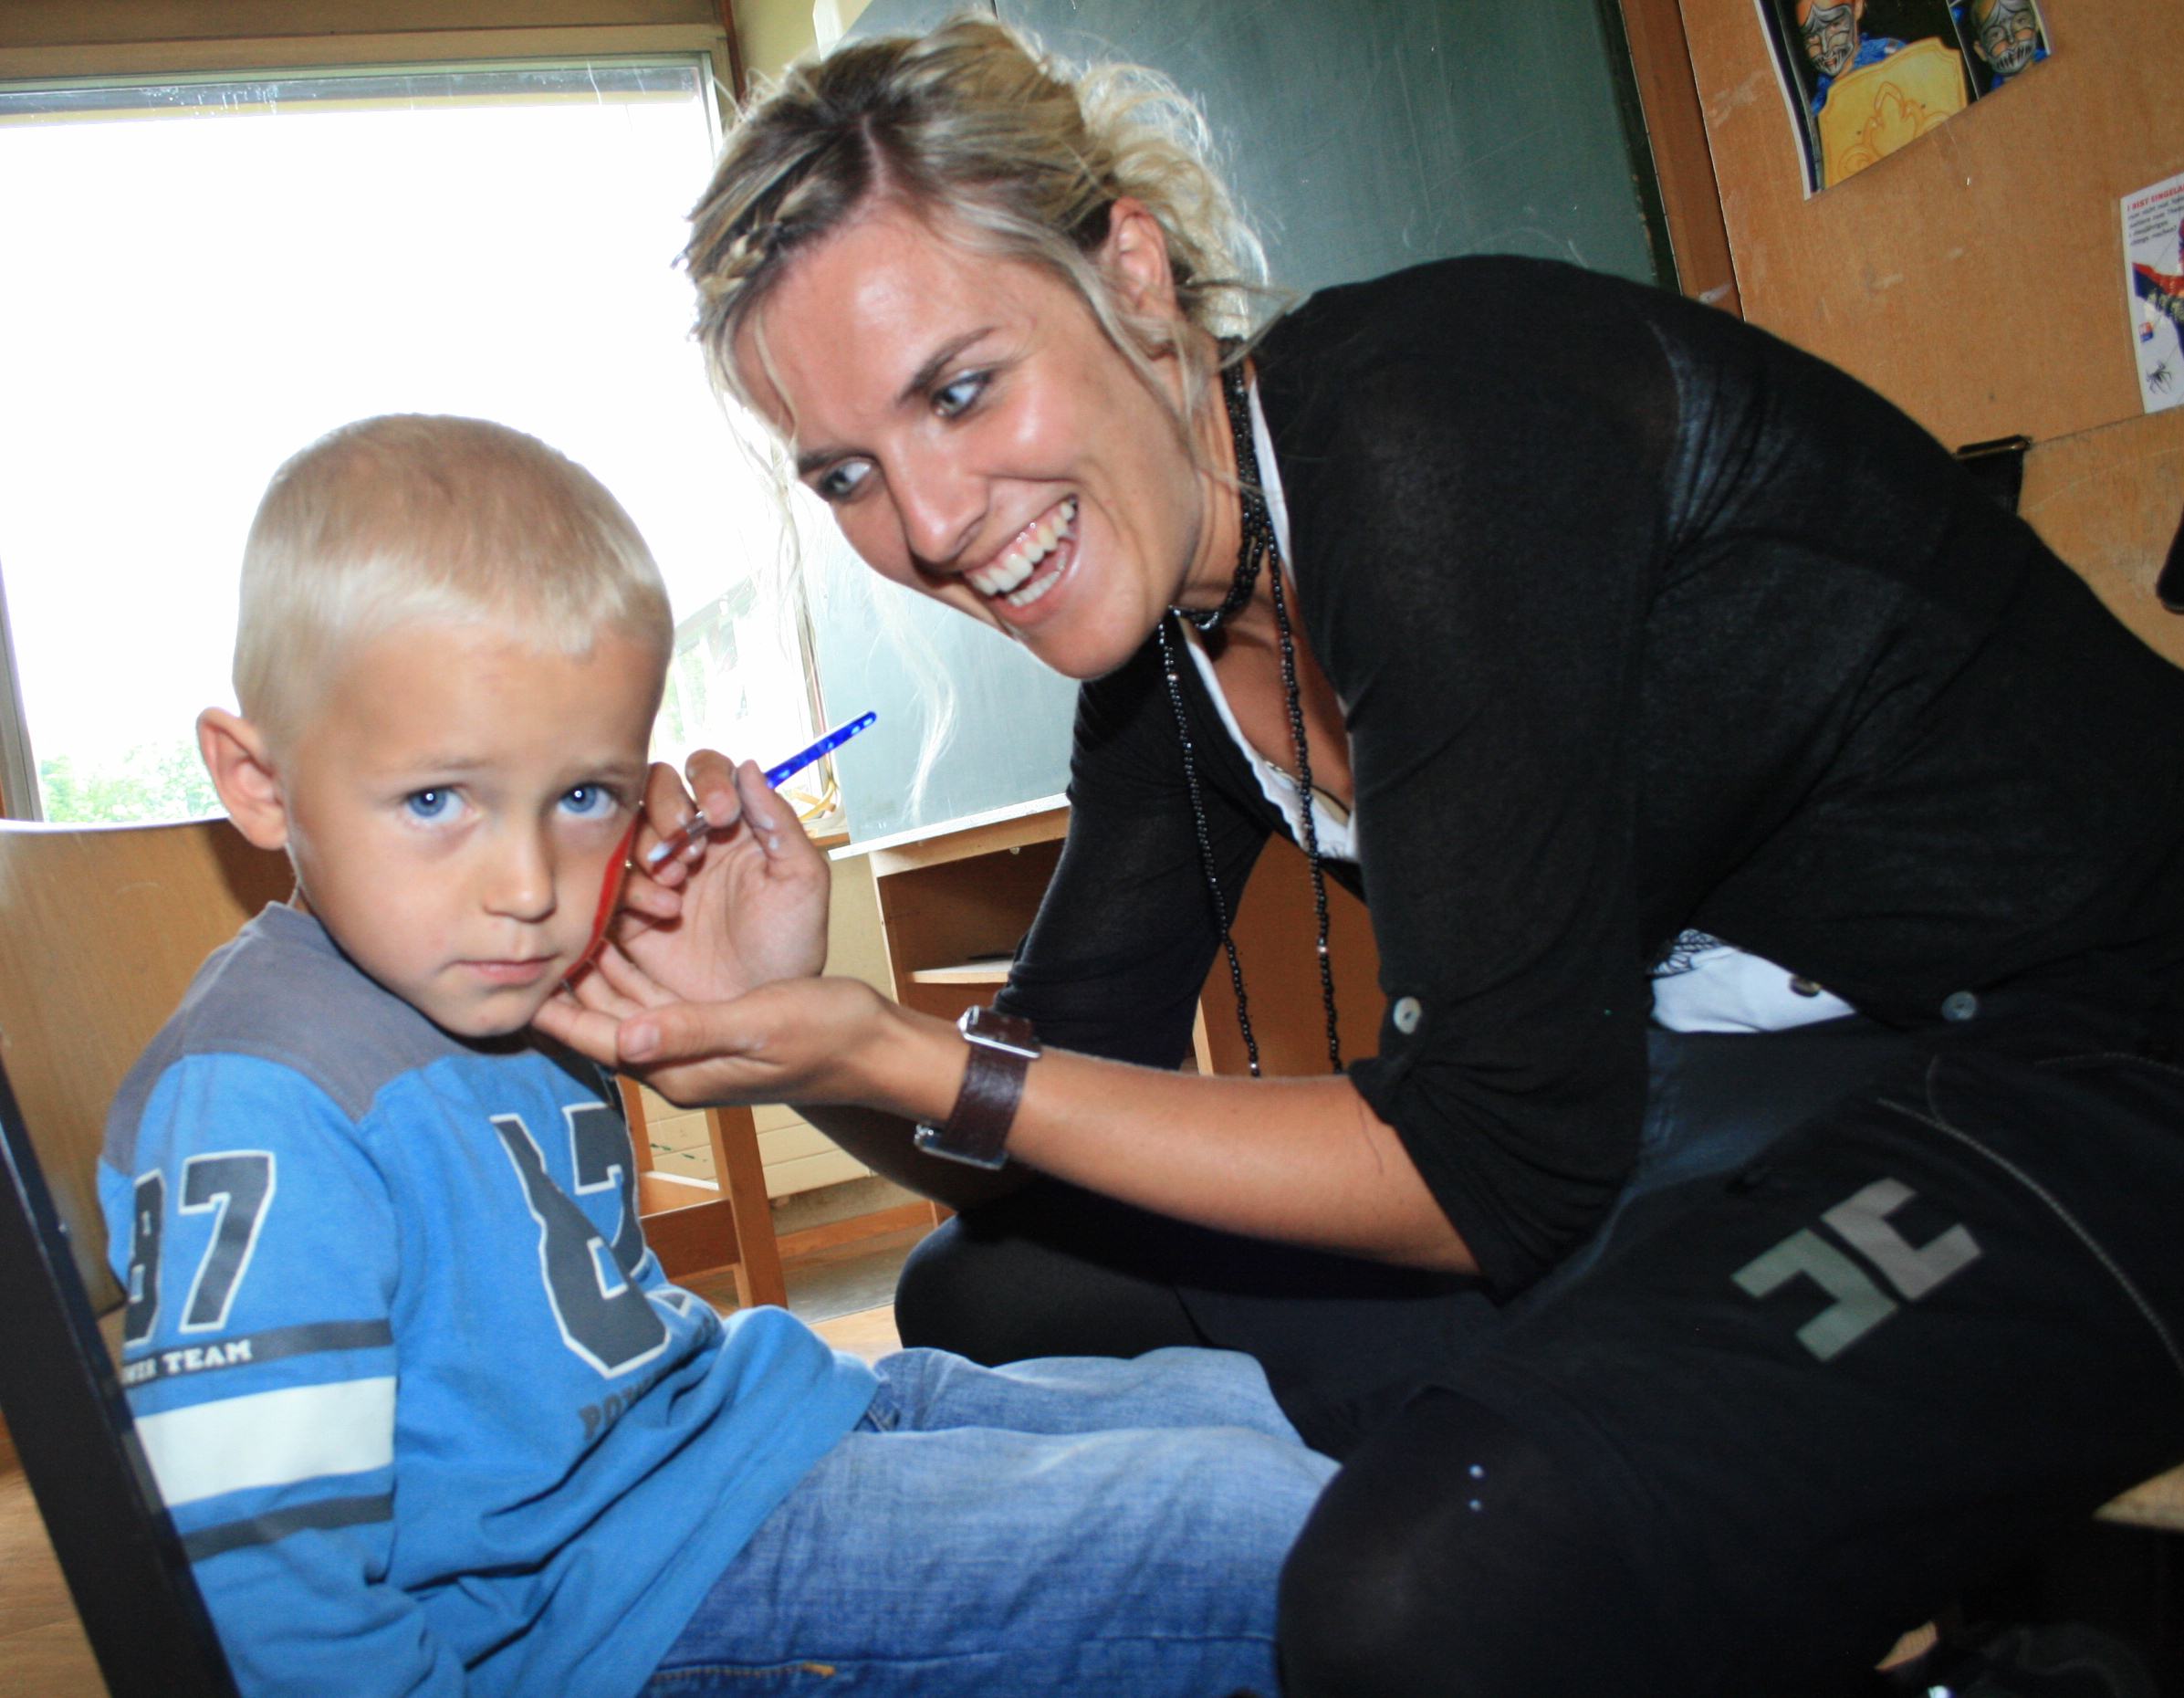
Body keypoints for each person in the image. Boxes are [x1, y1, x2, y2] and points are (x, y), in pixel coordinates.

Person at [538, 18, 2184, 1694]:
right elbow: (1025, 1134)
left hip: (2110, 1062)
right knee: (1003, 1293)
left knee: (1418, 1595)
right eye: (848, 475)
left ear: (1130, 273)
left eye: (960, 390)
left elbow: (1491, 1172)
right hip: (1782, 1091)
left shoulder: (1428, 429)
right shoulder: (1168, 644)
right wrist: (794, 1031)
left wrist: (893, 1052)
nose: (934, 523)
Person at [103, 414, 1335, 1698]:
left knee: (1245, 1402)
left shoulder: (500, 982)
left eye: (582, 797)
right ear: (259, 781)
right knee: (1249, 1522)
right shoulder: (258, 1097)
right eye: (435, 799)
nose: (529, 886)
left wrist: (766, 1003)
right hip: (637, 1594)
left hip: (747, 1427)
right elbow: (265, 1587)